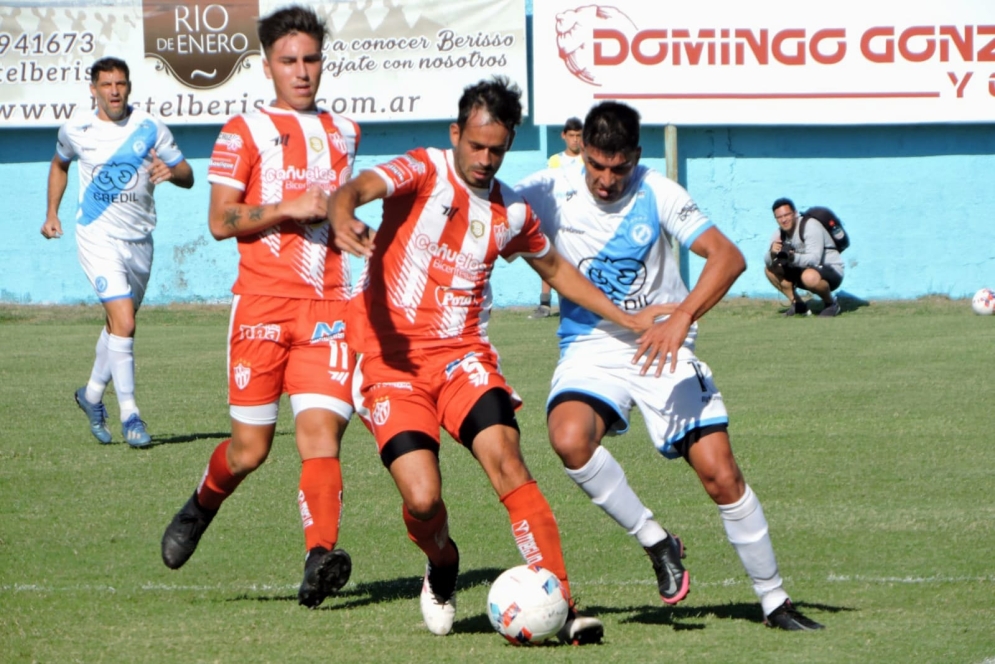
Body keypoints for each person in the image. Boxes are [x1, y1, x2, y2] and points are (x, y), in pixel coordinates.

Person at [327, 77, 664, 644]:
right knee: (423, 498)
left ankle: (561, 601)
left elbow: (556, 272)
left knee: (508, 460)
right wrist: (341, 217)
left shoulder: (510, 212)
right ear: (456, 134)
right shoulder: (422, 169)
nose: (485, 160)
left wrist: (631, 320)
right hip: (390, 364)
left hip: (463, 358)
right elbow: (355, 187)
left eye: (498, 151)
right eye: (477, 146)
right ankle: (442, 564)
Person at [514, 101, 825, 631]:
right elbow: (481, 212)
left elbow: (726, 256)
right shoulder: (546, 188)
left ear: (635, 156)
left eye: (619, 168)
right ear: (580, 152)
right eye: (596, 166)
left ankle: (775, 601)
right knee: (568, 438)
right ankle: (657, 542)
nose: (607, 180)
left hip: (663, 343)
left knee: (720, 474)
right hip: (591, 345)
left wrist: (681, 317)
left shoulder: (658, 191)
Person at [160, 6, 359, 610]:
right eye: (289, 61)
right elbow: (221, 220)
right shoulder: (243, 130)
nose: (302, 72)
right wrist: (284, 207)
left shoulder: (345, 130)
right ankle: (202, 504)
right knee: (251, 449)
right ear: (267, 64)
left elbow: (338, 212)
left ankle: (319, 556)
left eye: (312, 59)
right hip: (262, 307)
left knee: (320, 434)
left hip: (328, 305)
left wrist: (356, 232)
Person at [41, 56, 194, 448]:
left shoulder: (149, 127)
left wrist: (170, 173)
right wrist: (51, 213)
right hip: (96, 236)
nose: (114, 91)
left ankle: (90, 395)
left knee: (117, 325)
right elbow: (60, 165)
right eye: (106, 84)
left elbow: (187, 175)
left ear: (129, 87)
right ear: (92, 89)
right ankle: (131, 416)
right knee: (125, 321)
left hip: (140, 241)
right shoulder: (77, 128)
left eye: (120, 84)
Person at [530, 117, 584, 320]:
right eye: (572, 136)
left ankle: (583, 301)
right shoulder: (554, 161)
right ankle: (545, 303)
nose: (575, 140)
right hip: (558, 216)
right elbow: (548, 186)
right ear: (564, 136)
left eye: (579, 136)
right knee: (548, 257)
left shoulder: (588, 160)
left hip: (580, 217)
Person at [764, 198, 844, 317]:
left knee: (808, 276)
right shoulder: (779, 234)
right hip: (803, 269)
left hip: (831, 269)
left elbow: (814, 259)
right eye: (779, 217)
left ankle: (831, 304)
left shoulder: (810, 226)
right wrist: (772, 253)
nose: (784, 220)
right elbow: (768, 262)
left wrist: (792, 258)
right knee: (770, 270)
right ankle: (798, 305)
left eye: (787, 215)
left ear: (795, 213)